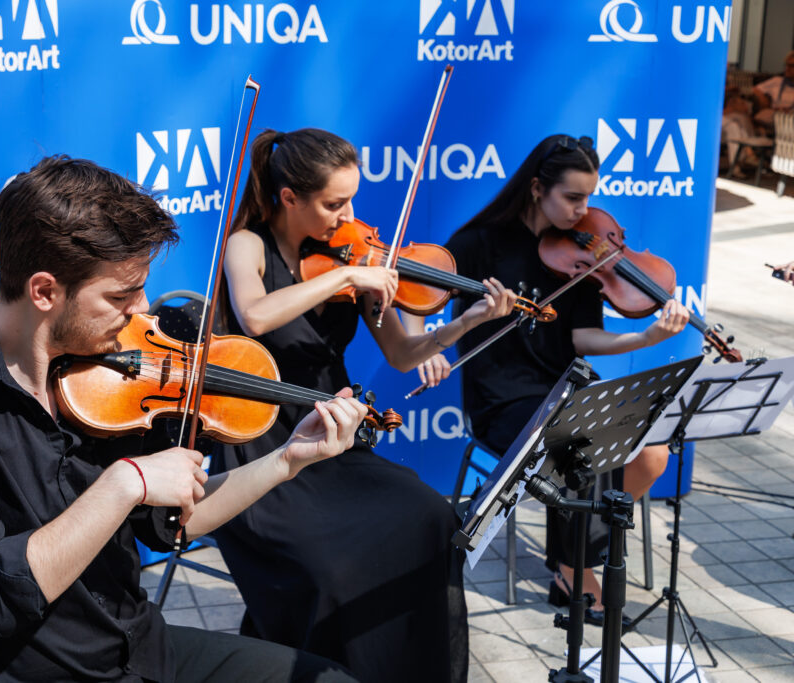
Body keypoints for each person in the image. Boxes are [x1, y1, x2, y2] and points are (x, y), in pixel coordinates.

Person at [0, 155, 374, 683]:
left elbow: (171, 526)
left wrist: (287, 460)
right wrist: (124, 482)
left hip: (141, 649)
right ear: (44, 291)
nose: (141, 310)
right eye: (120, 295)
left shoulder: (114, 368)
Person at [213, 128, 517, 683]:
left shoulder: (349, 257)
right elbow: (254, 315)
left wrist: (467, 321)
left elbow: (402, 353)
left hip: (331, 435)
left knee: (432, 517)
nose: (349, 216)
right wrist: (350, 274)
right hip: (261, 444)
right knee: (332, 566)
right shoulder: (248, 245)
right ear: (289, 198)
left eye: (351, 200)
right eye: (334, 204)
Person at [405, 134, 689, 622]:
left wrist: (647, 337)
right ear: (537, 188)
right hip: (502, 399)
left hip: (566, 387)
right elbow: (415, 289)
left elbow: (583, 337)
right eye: (573, 197)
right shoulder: (481, 242)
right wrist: (421, 345)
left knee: (652, 452)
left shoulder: (581, 251)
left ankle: (576, 549)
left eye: (588, 197)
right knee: (576, 445)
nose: (583, 211)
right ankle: (575, 568)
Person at [752, 50, 794, 128]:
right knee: (761, 116)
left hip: (791, 117)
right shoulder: (777, 81)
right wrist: (763, 99)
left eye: (791, 66)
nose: (787, 68)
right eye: (786, 65)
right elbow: (754, 89)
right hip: (775, 114)